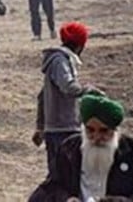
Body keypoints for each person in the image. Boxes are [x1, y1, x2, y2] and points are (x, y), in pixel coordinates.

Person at [28, 94, 133, 201]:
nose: (96, 137)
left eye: (104, 131)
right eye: (90, 130)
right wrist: (66, 199)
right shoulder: (69, 149)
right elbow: (52, 187)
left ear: (115, 130)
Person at [33, 22, 95, 178]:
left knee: (59, 175)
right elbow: (68, 86)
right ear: (80, 46)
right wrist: (88, 90)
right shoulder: (60, 61)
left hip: (55, 128)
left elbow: (42, 97)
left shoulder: (58, 60)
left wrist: (40, 127)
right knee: (65, 177)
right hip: (64, 128)